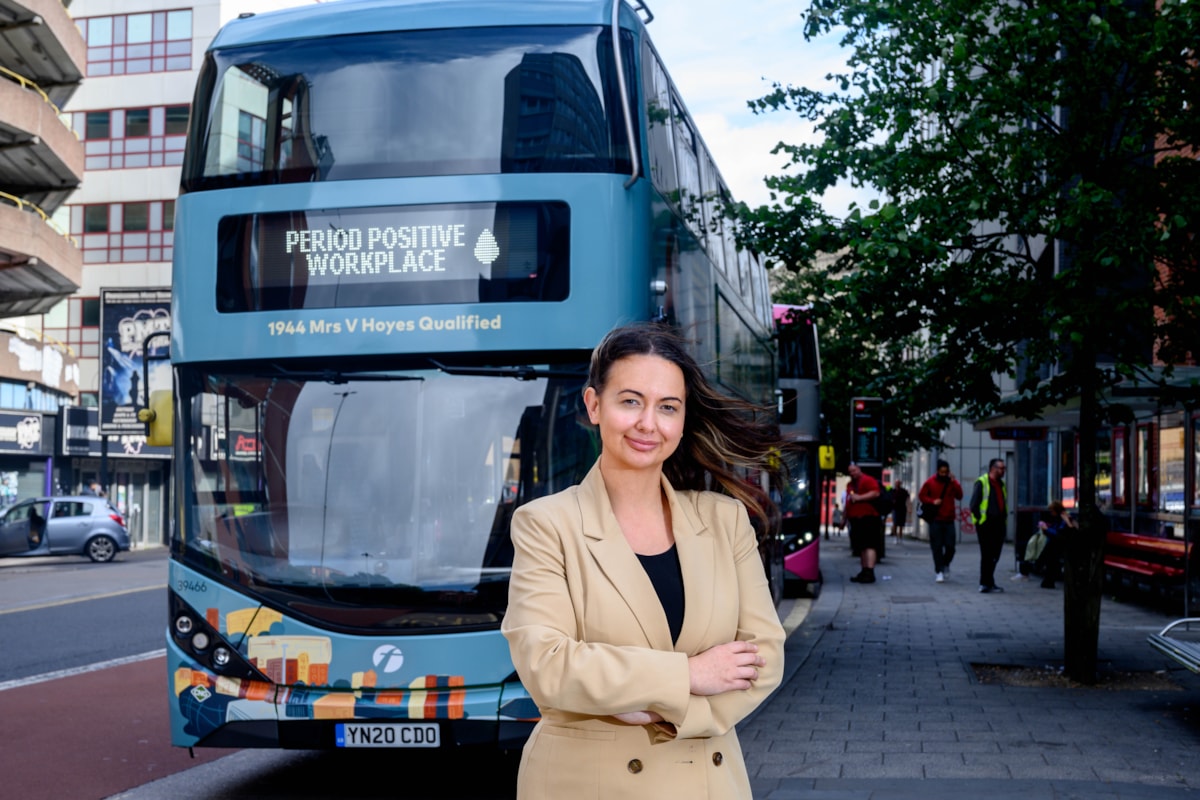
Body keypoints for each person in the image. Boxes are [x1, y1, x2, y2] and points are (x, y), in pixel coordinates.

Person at [501, 323, 786, 800]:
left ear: (682, 418)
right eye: (630, 401)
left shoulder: (724, 519)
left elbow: (765, 658)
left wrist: (660, 709)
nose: (648, 424)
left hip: (709, 782)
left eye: (667, 407)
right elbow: (548, 666)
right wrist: (689, 677)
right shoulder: (546, 524)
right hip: (585, 786)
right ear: (595, 406)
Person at [917, 460, 963, 583]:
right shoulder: (930, 482)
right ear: (937, 471)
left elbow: (959, 495)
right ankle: (939, 571)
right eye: (941, 472)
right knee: (937, 547)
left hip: (949, 519)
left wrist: (955, 482)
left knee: (950, 547)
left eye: (946, 472)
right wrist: (932, 501)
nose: (944, 474)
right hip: (936, 519)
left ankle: (945, 563)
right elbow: (921, 496)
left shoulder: (951, 482)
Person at [970, 458, 1009, 593]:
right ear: (993, 469)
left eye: (1004, 468)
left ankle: (989, 582)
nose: (1003, 471)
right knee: (987, 554)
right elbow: (974, 505)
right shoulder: (982, 482)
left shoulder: (1001, 484)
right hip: (986, 525)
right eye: (1001, 468)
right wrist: (980, 521)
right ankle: (985, 583)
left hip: (999, 525)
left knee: (995, 555)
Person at [845, 463, 883, 584]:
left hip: (869, 517)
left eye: (854, 470)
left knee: (869, 545)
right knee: (861, 546)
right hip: (856, 519)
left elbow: (876, 493)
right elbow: (849, 501)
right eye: (850, 471)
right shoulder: (851, 484)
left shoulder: (868, 480)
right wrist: (844, 519)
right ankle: (864, 570)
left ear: (859, 469)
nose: (852, 473)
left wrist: (860, 498)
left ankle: (869, 571)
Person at [1034, 500, 1075, 588]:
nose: (1051, 513)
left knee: (1051, 550)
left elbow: (1059, 534)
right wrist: (1047, 528)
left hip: (1064, 545)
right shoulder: (1058, 519)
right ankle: (1039, 566)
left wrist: (1046, 529)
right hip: (1059, 544)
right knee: (1050, 549)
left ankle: (1039, 565)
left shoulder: (1064, 519)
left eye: (1052, 511)